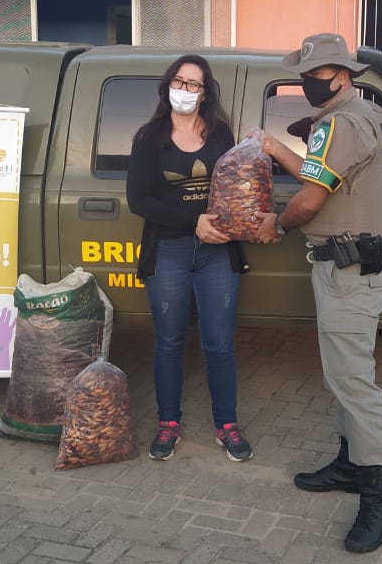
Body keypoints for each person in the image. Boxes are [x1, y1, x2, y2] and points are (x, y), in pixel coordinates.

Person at [256, 33, 382, 553]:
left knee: (355, 382)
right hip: (349, 268)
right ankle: (350, 464)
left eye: (314, 77)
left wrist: (277, 224)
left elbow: (311, 201)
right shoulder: (352, 117)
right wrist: (277, 150)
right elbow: (322, 176)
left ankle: (379, 496)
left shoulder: (339, 123)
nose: (306, 84)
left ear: (341, 75)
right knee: (342, 376)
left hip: (349, 271)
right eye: (304, 76)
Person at [126, 55, 255, 463]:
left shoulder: (219, 135)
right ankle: (168, 424)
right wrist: (192, 222)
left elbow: (237, 183)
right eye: (178, 82)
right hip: (170, 250)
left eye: (193, 84)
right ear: (168, 86)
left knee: (219, 344)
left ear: (205, 92)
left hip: (218, 251)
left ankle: (227, 426)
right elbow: (139, 200)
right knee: (169, 341)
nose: (184, 90)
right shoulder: (149, 138)